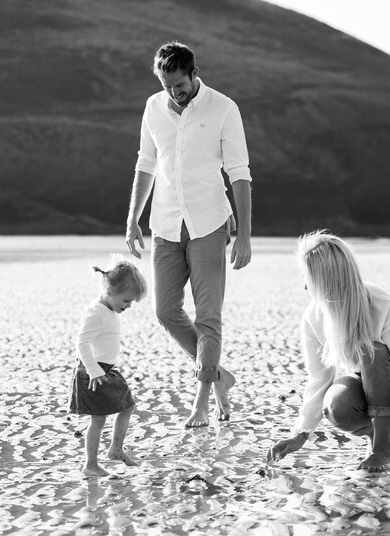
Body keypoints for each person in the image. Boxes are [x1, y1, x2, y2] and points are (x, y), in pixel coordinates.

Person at [125, 41, 253, 428]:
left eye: (179, 85)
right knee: (165, 310)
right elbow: (146, 163)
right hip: (165, 223)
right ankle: (217, 374)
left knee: (208, 316)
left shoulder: (223, 108)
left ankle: (202, 398)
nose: (173, 93)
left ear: (193, 74)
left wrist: (245, 234)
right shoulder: (153, 107)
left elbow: (240, 173)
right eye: (166, 85)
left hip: (209, 223)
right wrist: (133, 218)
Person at [266, 231, 390, 472]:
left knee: (371, 351)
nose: (304, 286)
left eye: (308, 278)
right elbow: (319, 379)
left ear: (325, 280)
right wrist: (301, 433)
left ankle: (382, 451)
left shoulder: (378, 302)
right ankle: (376, 438)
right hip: (367, 380)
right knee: (337, 404)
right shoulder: (313, 317)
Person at [67, 258, 147, 477]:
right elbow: (81, 342)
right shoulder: (96, 312)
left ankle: (116, 449)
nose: (129, 305)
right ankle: (90, 464)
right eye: (127, 300)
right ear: (110, 291)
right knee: (98, 419)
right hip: (93, 372)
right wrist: (94, 370)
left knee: (127, 405)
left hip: (108, 371)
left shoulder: (109, 309)